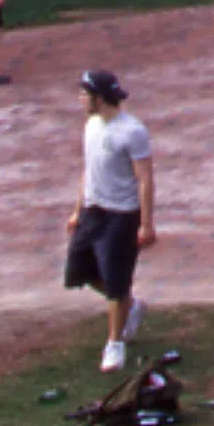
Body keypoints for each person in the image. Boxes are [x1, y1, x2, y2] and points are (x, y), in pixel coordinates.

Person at [64, 68, 158, 374]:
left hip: (121, 216)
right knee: (80, 273)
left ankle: (115, 343)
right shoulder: (91, 125)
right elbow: (88, 170)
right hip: (93, 211)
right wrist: (78, 210)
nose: (79, 99)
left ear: (100, 98)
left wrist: (146, 223)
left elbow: (144, 178)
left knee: (116, 279)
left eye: (84, 94)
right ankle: (131, 307)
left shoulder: (131, 131)